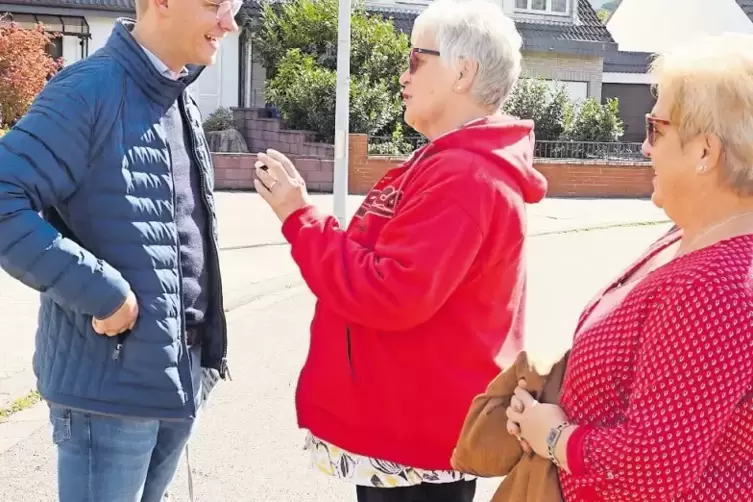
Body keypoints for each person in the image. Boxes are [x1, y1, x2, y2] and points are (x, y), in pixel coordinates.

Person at [254, 0, 547, 500]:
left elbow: (390, 291)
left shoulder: (463, 176)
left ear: (462, 72)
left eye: (415, 59)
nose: (402, 75)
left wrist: (300, 217)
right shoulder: (452, 164)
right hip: (410, 432)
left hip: (416, 435)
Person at [0, 1, 239, 500]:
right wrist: (103, 293)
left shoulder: (179, 98)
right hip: (108, 389)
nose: (229, 22)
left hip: (178, 377)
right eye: (216, 5)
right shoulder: (88, 90)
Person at [506, 33, 753, 502]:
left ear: (705, 152)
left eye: (656, 129)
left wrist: (555, 438)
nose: (644, 147)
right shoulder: (690, 237)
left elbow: (653, 467)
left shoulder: (715, 288)